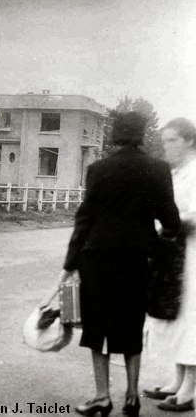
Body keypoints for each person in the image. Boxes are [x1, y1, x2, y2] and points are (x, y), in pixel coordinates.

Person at [54, 111, 181, 417]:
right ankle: (132, 396)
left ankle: (101, 396)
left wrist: (69, 263)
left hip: (97, 259)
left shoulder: (98, 169)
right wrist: (157, 246)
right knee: (131, 326)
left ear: (114, 135)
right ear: (141, 134)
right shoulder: (158, 169)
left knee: (97, 327)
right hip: (136, 260)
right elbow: (171, 222)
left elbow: (84, 220)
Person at [144, 118, 196, 412]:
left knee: (191, 319)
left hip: (193, 256)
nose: (166, 147)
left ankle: (189, 390)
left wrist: (168, 221)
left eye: (172, 141)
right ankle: (177, 382)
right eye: (164, 142)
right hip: (174, 252)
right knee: (175, 317)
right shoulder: (175, 173)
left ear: (189, 140)